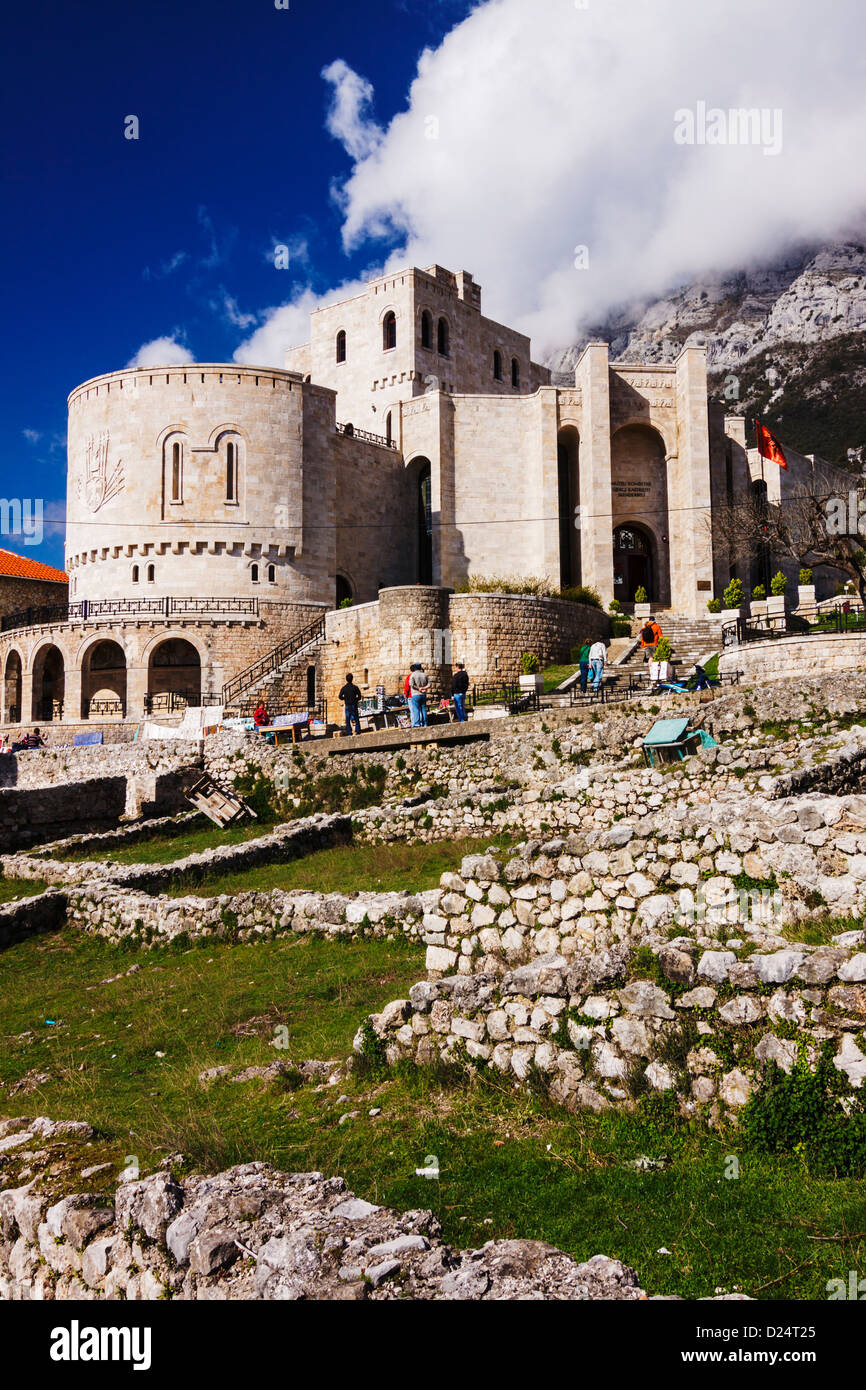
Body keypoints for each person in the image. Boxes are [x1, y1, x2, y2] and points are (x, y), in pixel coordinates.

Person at [409, 662, 430, 726]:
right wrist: (424, 688)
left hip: (415, 694)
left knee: (416, 709)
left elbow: (411, 685)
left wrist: (419, 688)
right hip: (423, 694)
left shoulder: (413, 675)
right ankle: (425, 723)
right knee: (423, 709)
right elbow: (429, 684)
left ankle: (417, 723)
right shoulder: (424, 675)